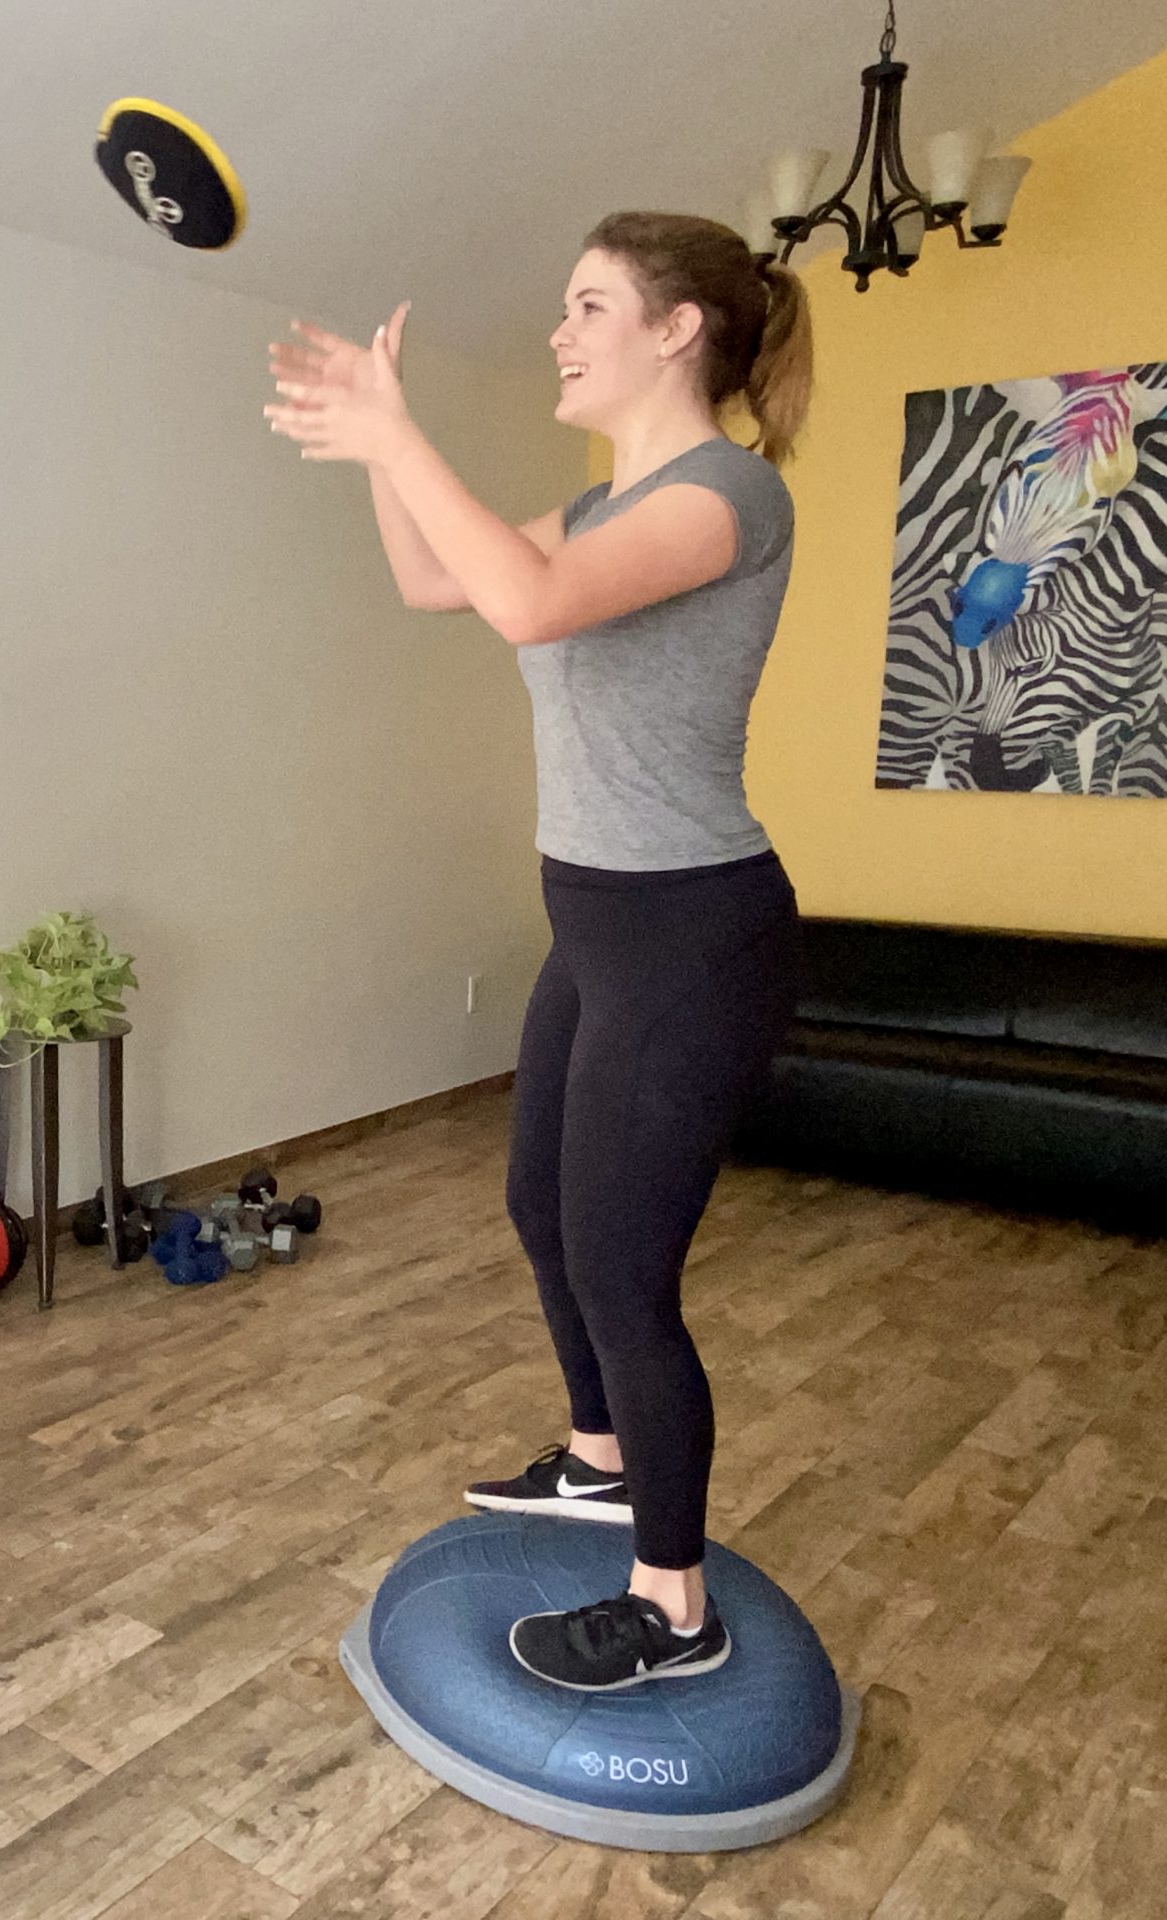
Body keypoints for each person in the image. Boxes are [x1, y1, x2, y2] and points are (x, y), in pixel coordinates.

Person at [264, 212, 812, 1691]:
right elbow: (440, 584)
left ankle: (675, 1606)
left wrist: (401, 429)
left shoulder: (729, 496)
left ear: (678, 329)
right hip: (597, 917)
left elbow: (525, 601)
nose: (559, 333)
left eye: (586, 307)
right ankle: (597, 1454)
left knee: (628, 1272)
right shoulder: (604, 500)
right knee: (538, 1202)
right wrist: (389, 450)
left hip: (693, 931)